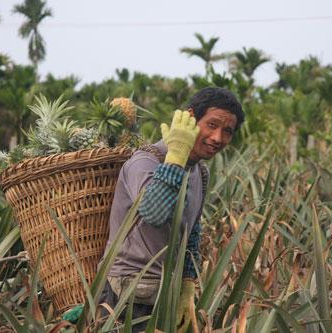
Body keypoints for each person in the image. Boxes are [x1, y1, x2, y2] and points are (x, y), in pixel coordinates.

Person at [100, 87, 244, 332]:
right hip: (126, 296)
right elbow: (154, 213)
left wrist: (187, 286)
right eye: (211, 125)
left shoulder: (200, 172)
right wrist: (176, 155)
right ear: (189, 118)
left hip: (166, 294)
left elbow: (191, 233)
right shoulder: (145, 161)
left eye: (227, 131)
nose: (218, 138)